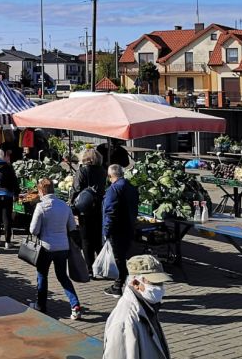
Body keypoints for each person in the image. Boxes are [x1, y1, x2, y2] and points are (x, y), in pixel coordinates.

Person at [29, 178, 83, 318]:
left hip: (46, 247)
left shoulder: (41, 207)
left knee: (42, 276)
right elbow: (72, 226)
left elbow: (33, 230)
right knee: (63, 277)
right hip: (63, 247)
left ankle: (41, 305)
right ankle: (75, 305)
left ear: (41, 191)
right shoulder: (64, 206)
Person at [102, 254, 173, 359]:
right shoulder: (124, 323)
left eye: (160, 283)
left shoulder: (146, 307)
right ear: (135, 283)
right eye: (154, 283)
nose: (159, 287)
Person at [103, 164, 140, 298]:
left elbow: (110, 212)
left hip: (117, 229)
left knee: (118, 258)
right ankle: (129, 285)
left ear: (111, 176)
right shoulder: (131, 187)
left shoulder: (114, 189)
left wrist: (106, 231)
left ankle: (118, 286)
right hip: (129, 226)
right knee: (126, 257)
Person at [71, 148, 107, 267]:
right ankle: (101, 264)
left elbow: (76, 190)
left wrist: (73, 206)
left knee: (86, 239)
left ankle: (89, 267)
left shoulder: (82, 171)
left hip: (85, 209)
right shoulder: (103, 171)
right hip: (99, 207)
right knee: (97, 238)